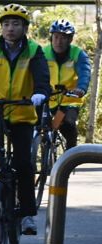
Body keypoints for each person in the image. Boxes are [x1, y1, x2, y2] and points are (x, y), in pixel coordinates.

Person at [0, 3, 51, 235]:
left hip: (22, 112)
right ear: (1, 27)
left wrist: (40, 92)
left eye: (16, 24)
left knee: (23, 164)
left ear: (25, 27)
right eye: (6, 24)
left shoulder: (34, 50)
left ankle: (27, 214)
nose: (10, 28)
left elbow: (42, 76)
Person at [43, 18, 90, 149]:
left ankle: (70, 160)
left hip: (70, 99)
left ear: (70, 39)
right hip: (49, 99)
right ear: (51, 37)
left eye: (63, 38)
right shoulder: (43, 53)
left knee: (68, 127)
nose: (59, 41)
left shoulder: (78, 54)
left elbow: (84, 73)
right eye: (56, 37)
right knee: (37, 124)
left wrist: (81, 88)